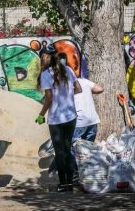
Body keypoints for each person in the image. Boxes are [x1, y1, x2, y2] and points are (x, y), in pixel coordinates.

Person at [35, 44, 82, 192]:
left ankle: (63, 184)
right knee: (67, 149)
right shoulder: (68, 70)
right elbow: (78, 89)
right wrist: (66, 97)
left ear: (44, 57)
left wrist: (41, 115)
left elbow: (48, 98)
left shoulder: (45, 74)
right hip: (71, 116)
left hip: (56, 119)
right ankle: (69, 183)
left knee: (59, 152)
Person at [73, 78, 104, 142]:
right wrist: (87, 91)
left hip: (80, 121)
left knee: (71, 147)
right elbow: (100, 89)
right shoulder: (84, 81)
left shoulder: (66, 84)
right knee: (88, 148)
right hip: (92, 120)